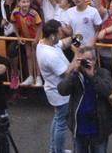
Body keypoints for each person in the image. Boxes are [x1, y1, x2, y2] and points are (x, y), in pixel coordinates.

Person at [56, 45, 112, 153]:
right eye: (81, 60)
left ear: (94, 61)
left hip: (98, 128)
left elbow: (107, 90)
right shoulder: (75, 75)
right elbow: (62, 90)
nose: (84, 63)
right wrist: (74, 72)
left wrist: (92, 76)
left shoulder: (103, 73)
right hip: (79, 128)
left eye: (88, 60)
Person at [35, 19, 72, 153]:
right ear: (52, 36)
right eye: (60, 33)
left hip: (55, 90)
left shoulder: (46, 43)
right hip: (60, 93)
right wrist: (77, 57)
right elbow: (66, 73)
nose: (61, 35)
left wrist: (74, 37)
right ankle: (59, 151)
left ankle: (54, 149)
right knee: (61, 124)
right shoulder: (49, 55)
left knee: (57, 119)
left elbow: (62, 43)